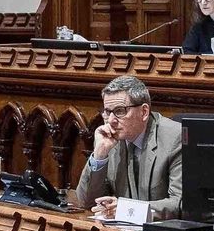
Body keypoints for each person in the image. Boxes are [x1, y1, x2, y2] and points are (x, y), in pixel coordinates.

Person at [75, 75, 185, 221]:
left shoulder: (175, 138)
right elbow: (86, 202)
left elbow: (180, 203)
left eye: (120, 111)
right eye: (108, 112)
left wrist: (126, 210)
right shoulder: (108, 139)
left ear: (144, 112)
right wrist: (99, 156)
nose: (112, 120)